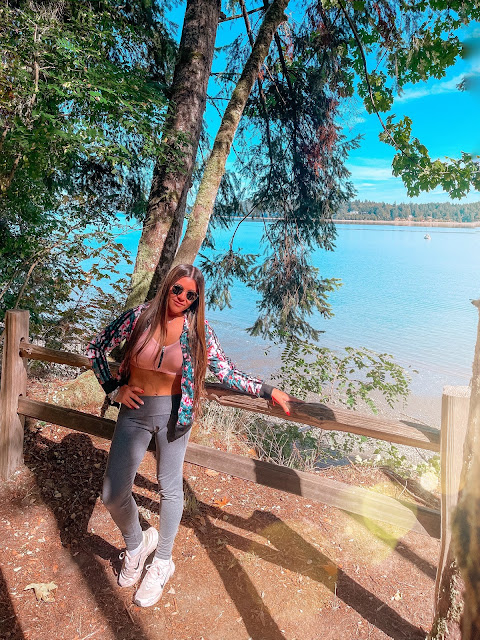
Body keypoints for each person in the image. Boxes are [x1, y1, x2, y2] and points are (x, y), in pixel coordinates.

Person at [87, 264, 296, 608]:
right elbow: (96, 348)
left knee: (170, 488)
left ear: (196, 300)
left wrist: (267, 390)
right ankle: (137, 543)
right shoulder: (139, 317)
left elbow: (226, 372)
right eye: (177, 289)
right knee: (112, 492)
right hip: (134, 412)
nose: (182, 297)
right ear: (167, 287)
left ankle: (162, 561)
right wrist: (113, 388)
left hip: (174, 415)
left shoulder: (197, 331)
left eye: (191, 295)